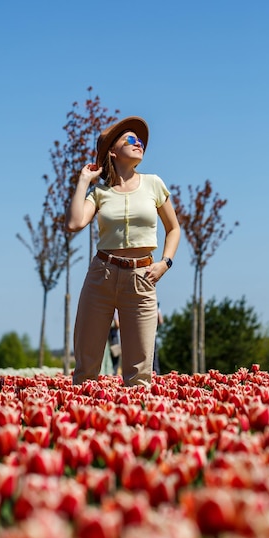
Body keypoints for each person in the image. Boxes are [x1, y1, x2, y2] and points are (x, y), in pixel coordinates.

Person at [65, 116, 180, 386]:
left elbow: (173, 229)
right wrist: (84, 181)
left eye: (139, 140)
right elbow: (74, 223)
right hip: (101, 276)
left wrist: (166, 262)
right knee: (86, 368)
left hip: (142, 276)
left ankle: (134, 425)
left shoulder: (154, 183)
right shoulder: (100, 192)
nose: (138, 143)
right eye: (129, 139)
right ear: (112, 152)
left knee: (140, 373)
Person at [108, 310, 121, 375]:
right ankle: (114, 373)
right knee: (115, 356)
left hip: (107, 336)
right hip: (113, 336)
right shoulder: (114, 311)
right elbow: (117, 324)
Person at [153, 302, 164, 375]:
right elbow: (161, 321)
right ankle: (156, 375)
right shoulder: (155, 306)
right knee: (154, 357)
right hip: (153, 335)